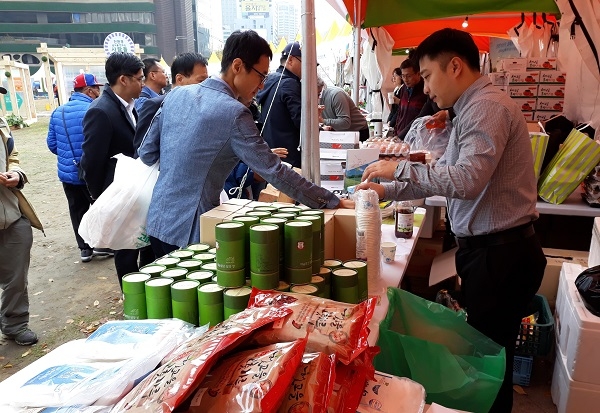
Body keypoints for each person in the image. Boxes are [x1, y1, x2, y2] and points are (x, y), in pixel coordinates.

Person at [357, 28, 546, 413]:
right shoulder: (470, 110)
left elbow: (465, 179)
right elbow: (446, 171)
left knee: (490, 366)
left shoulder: (486, 108)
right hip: (493, 253)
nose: (425, 89)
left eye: (427, 76)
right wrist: (386, 191)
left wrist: (394, 170)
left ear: (455, 66)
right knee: (489, 360)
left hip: (501, 255)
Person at [138, 30, 351, 256]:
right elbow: (275, 171)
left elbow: (146, 153)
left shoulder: (176, 95)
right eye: (261, 76)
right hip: (194, 230)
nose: (261, 86)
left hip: (158, 221)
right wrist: (329, 200)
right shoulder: (234, 113)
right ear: (237, 66)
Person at [81, 52, 154, 289]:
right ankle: (131, 297)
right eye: (139, 79)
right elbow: (91, 161)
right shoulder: (101, 111)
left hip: (136, 192)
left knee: (144, 245)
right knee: (125, 253)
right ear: (123, 80)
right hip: (118, 194)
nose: (143, 84)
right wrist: (100, 196)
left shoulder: (132, 107)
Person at [46, 73, 113, 262]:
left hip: (67, 174)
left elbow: (51, 144)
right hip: (89, 173)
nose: (98, 92)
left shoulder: (58, 111)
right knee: (99, 208)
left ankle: (85, 249)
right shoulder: (94, 109)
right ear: (88, 90)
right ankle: (103, 245)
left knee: (77, 210)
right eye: (96, 88)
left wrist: (67, 156)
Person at [0, 86, 42, 346]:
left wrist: (17, 174)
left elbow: (13, 156)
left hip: (11, 213)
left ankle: (15, 323)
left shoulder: (1, 122)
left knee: (16, 276)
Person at [134, 52, 209, 154]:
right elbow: (140, 149)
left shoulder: (202, 108)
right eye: (201, 81)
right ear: (179, 79)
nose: (206, 86)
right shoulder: (155, 106)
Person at [256, 41, 303, 167]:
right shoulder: (289, 83)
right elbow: (302, 122)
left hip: (273, 150)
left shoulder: (271, 79)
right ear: (291, 60)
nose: (308, 68)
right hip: (289, 155)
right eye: (305, 62)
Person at [317, 76, 369, 141]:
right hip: (336, 133)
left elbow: (345, 123)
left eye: (318, 94)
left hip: (356, 132)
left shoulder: (336, 95)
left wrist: (322, 120)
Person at [393, 58, 427, 139]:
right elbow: (400, 111)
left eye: (408, 76)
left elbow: (421, 116)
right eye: (403, 76)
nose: (405, 79)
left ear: (418, 74)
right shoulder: (403, 89)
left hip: (416, 137)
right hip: (400, 135)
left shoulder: (425, 90)